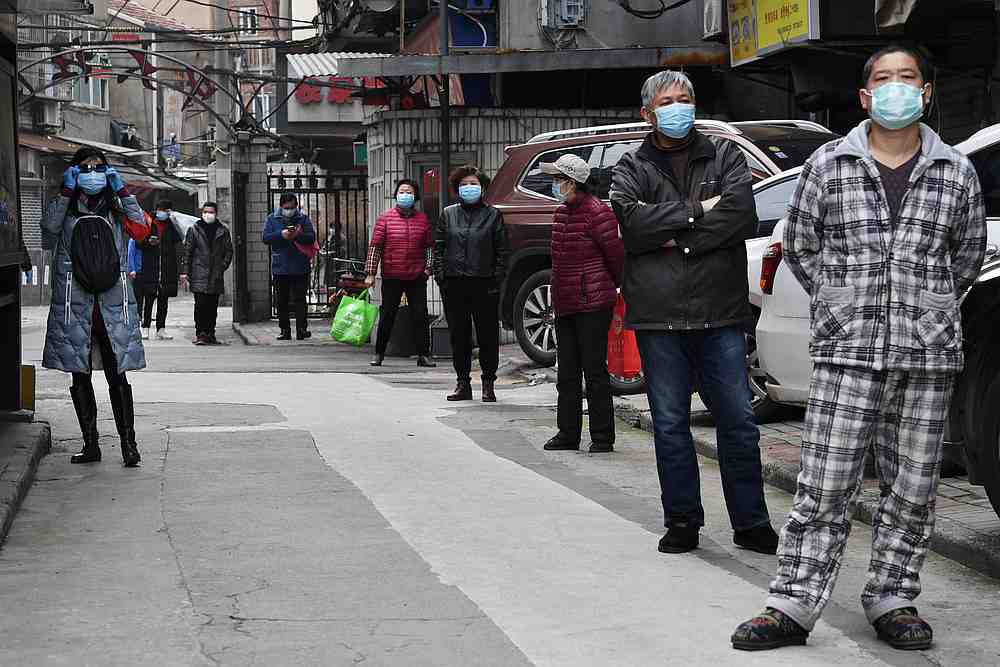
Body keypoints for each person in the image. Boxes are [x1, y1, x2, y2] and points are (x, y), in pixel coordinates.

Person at [732, 46, 987, 653]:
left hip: (925, 356)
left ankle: (894, 598)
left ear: (926, 93)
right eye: (883, 80)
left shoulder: (955, 171)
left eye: (908, 79)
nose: (895, 88)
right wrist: (845, 306)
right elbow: (801, 243)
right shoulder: (829, 164)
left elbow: (967, 257)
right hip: (848, 353)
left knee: (913, 486)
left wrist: (920, 308)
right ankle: (792, 602)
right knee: (825, 481)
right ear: (865, 96)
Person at [610, 70, 778, 555]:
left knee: (739, 423)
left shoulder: (724, 154)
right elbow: (631, 224)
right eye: (668, 101)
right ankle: (682, 520)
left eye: (685, 99)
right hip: (659, 316)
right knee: (669, 424)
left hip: (720, 311)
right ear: (647, 113)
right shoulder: (631, 164)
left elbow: (741, 215)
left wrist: (673, 237)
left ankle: (751, 521)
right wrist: (699, 212)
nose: (678, 107)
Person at [40, 146, 148, 467]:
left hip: (111, 304)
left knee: (118, 375)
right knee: (80, 375)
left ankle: (129, 445)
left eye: (98, 167)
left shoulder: (114, 208)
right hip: (76, 303)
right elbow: (47, 232)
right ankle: (91, 445)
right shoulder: (65, 208)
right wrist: (66, 191)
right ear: (73, 172)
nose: (92, 174)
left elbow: (141, 228)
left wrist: (122, 188)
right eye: (84, 169)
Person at [540, 154, 624, 454]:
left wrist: (614, 288)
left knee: (594, 371)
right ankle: (568, 433)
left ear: (572, 181)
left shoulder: (597, 212)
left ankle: (602, 437)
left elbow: (615, 256)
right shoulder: (562, 212)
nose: (555, 185)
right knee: (567, 373)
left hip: (592, 302)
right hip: (565, 301)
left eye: (557, 179)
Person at [434, 165, 507, 403]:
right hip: (454, 283)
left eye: (473, 184)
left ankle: (488, 383)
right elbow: (439, 247)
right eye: (464, 184)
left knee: (487, 335)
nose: (469, 188)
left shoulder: (493, 215)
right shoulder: (448, 214)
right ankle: (462, 382)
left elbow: (502, 251)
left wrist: (496, 278)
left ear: (483, 187)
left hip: (484, 283)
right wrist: (441, 276)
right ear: (457, 189)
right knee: (459, 335)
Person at [365, 179, 436, 368]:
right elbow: (375, 247)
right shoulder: (385, 218)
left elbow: (430, 247)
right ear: (396, 195)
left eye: (409, 192)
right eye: (402, 191)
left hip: (416, 276)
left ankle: (424, 354)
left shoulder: (422, 219)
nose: (405, 195)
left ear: (415, 197)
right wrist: (371, 273)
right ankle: (379, 353)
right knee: (388, 315)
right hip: (392, 275)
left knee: (420, 315)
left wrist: (428, 269)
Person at [262, 193, 317, 340]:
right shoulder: (272, 219)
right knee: (282, 300)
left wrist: (296, 236)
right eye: (287, 208)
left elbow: (311, 237)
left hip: (300, 266)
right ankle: (285, 330)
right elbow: (266, 238)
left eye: (292, 207)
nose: (290, 210)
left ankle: (301, 329)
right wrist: (281, 235)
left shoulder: (303, 219)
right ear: (281, 206)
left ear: (296, 206)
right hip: (281, 266)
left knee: (300, 299)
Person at [180, 201, 233, 345]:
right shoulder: (194, 229)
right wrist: (185, 272)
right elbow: (188, 252)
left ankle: (210, 333)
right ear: (202, 213)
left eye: (211, 212)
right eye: (205, 212)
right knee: (200, 305)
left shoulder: (223, 230)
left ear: (216, 214)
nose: (208, 214)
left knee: (212, 306)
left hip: (215, 274)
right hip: (199, 273)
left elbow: (228, 251)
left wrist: (221, 266)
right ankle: (201, 333)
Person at [134, 200, 182, 340]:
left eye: (166, 211)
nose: (163, 213)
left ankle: (161, 328)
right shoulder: (147, 222)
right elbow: (138, 242)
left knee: (164, 300)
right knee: (148, 299)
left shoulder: (172, 225)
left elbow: (178, 242)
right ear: (156, 210)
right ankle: (145, 327)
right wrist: (148, 242)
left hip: (166, 268)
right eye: (161, 210)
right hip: (150, 267)